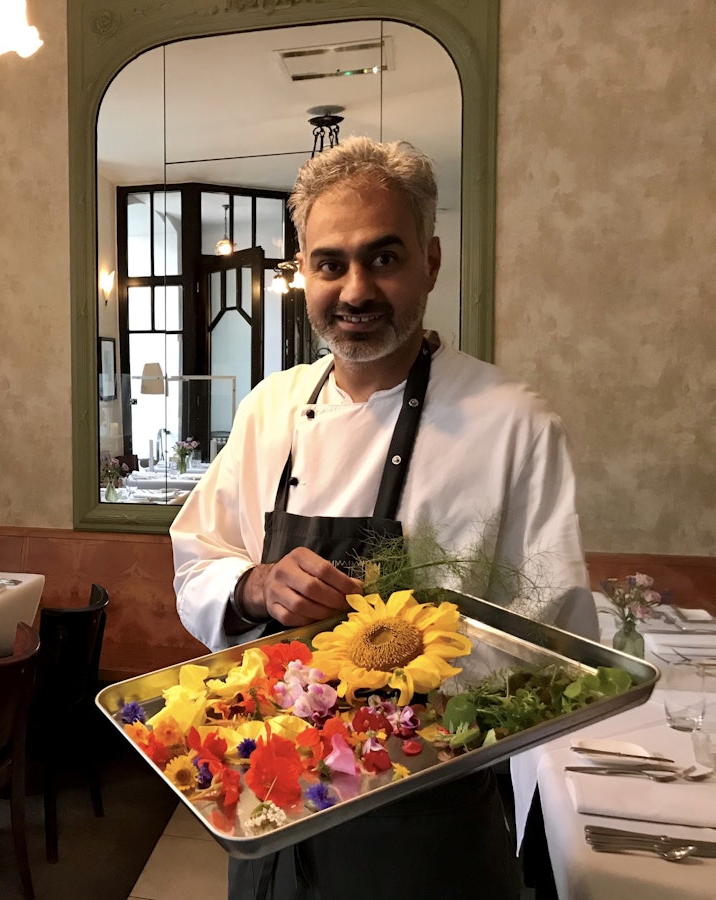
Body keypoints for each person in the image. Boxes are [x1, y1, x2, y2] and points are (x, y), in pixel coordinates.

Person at [170, 136, 596, 899]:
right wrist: (257, 586)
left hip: (426, 827)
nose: (355, 288)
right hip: (270, 807)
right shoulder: (270, 410)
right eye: (329, 263)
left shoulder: (512, 424)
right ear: (302, 271)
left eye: (384, 258)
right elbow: (198, 562)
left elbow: (557, 646)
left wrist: (411, 672)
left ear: (430, 261)